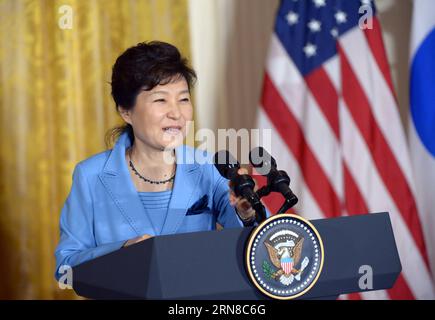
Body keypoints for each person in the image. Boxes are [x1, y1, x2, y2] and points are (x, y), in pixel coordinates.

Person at [54, 41, 261, 280]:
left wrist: (247, 212)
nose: (176, 113)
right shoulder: (90, 176)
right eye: (160, 100)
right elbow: (65, 269)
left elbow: (255, 247)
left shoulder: (209, 167)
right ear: (126, 111)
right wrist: (122, 253)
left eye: (183, 99)